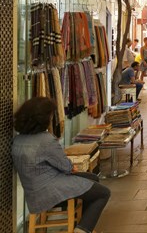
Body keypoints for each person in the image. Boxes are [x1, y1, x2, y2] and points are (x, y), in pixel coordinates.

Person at [12, 97, 111, 233]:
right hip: (51, 192)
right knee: (103, 193)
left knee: (92, 179)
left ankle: (84, 224)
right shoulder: (45, 140)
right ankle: (82, 229)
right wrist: (71, 167)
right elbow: (65, 166)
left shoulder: (18, 140)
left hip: (33, 194)